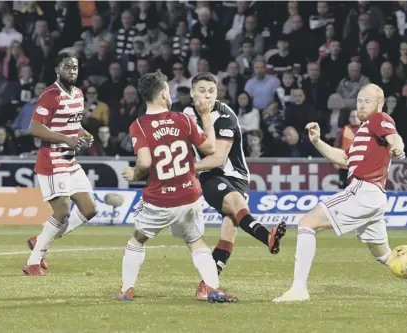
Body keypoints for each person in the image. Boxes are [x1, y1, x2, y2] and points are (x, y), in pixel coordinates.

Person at [273, 84, 407, 302]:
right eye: (359, 100)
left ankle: (299, 289)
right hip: (374, 198)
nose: (362, 104)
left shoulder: (379, 119)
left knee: (307, 223)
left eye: (368, 100)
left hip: (363, 191)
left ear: (380, 103)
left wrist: (398, 146)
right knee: (385, 255)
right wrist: (318, 142)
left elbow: (394, 137)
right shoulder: (364, 131)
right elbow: (343, 159)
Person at [114, 71, 237, 303]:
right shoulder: (183, 119)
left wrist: (134, 173)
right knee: (195, 241)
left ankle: (127, 290)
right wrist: (207, 117)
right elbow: (210, 148)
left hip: (159, 199)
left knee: (137, 240)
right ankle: (212, 288)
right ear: (162, 93)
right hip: (189, 195)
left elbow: (145, 162)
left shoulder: (139, 125)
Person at [183, 72, 287, 300]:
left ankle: (206, 285)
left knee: (229, 230)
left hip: (236, 176)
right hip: (210, 177)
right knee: (235, 204)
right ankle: (267, 237)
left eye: (211, 91)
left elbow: (218, 158)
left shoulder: (225, 115)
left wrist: (184, 168)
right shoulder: (187, 114)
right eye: (201, 90)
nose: (207, 95)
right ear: (192, 92)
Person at [24, 52, 96, 276]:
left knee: (89, 209)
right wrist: (66, 139)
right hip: (51, 160)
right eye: (67, 67)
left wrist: (84, 133)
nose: (71, 71)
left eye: (74, 67)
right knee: (62, 210)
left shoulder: (78, 94)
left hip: (69, 160)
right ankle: (33, 262)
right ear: (57, 69)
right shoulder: (50, 95)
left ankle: (42, 239)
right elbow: (35, 128)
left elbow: (72, 123)